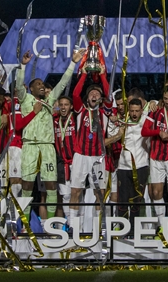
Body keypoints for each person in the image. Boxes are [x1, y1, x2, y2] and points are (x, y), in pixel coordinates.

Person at [14, 49, 82, 221]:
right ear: (30, 88)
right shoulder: (25, 99)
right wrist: (22, 65)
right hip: (29, 145)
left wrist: (73, 63)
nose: (42, 86)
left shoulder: (50, 101)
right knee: (27, 186)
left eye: (43, 85)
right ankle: (24, 223)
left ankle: (51, 225)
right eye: (38, 84)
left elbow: (62, 82)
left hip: (47, 146)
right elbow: (18, 84)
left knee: (52, 186)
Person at [68, 78, 118, 231]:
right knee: (76, 190)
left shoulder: (105, 112)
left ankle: (99, 227)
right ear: (88, 97)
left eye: (98, 93)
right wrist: (83, 74)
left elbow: (109, 96)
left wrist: (103, 76)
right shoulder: (80, 109)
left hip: (99, 157)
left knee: (99, 193)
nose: (94, 95)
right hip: (81, 155)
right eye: (92, 93)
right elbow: (75, 94)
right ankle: (72, 226)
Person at [141, 85, 168, 225]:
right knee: (156, 193)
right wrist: (158, 132)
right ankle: (161, 225)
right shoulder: (156, 113)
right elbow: (144, 131)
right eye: (165, 98)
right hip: (156, 157)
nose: (167, 101)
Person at [116, 98, 150, 224]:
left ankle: (134, 230)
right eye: (132, 111)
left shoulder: (147, 120)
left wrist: (151, 102)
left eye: (137, 111)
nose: (134, 114)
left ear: (142, 110)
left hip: (141, 166)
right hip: (124, 167)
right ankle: (121, 230)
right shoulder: (122, 122)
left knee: (137, 200)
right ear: (128, 111)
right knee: (123, 200)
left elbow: (157, 106)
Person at [52, 96, 76, 220]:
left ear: (71, 106)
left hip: (76, 162)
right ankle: (71, 224)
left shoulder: (76, 118)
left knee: (77, 194)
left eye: (66, 104)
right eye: (61, 104)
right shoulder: (54, 120)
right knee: (65, 195)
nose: (63, 107)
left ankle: (80, 224)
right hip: (61, 163)